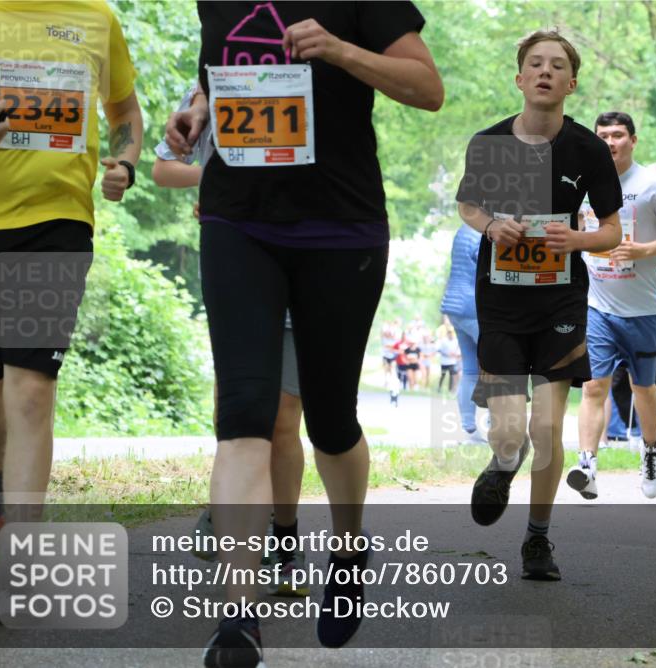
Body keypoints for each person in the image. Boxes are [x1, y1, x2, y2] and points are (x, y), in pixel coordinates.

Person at [165, 2, 443, 659]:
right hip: (237, 221)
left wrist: (342, 50)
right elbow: (226, 72)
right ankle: (238, 616)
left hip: (340, 228)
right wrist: (199, 109)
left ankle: (348, 553)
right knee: (243, 415)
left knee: (330, 419)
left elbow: (427, 89)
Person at [0, 0, 142, 554]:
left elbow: (124, 114)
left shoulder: (96, 17)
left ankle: (24, 558)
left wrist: (126, 162)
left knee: (33, 392)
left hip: (55, 223)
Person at [455, 29, 622, 581]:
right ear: (520, 78)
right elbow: (468, 205)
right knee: (509, 431)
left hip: (561, 302)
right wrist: (489, 223)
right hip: (500, 301)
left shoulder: (588, 150)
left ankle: (537, 540)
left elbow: (611, 231)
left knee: (547, 427)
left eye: (557, 66)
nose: (545, 71)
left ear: (571, 83)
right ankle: (504, 462)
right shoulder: (488, 143)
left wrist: (577, 240)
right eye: (535, 64)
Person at [153, 92, 307, 594]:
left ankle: (284, 538)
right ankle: (229, 516)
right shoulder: (208, 84)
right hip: (235, 258)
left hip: (307, 256)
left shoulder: (312, 74)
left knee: (285, 418)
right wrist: (221, 182)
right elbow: (163, 168)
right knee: (235, 410)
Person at [570, 111, 656, 500]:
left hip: (642, 307)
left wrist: (645, 249)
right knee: (593, 386)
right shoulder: (580, 183)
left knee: (644, 386)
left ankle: (651, 451)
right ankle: (587, 465)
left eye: (618, 135)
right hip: (597, 304)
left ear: (633, 140)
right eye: (603, 135)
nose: (611, 142)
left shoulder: (653, 186)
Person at [441, 224, 485, 441]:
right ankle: (496, 423)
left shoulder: (463, 229)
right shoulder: (484, 231)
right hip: (474, 305)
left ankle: (470, 429)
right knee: (496, 365)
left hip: (454, 304)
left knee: (469, 368)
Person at [437, 327, 461, 394]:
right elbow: (439, 350)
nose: (450, 334)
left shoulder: (456, 341)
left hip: (452, 362)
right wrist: (447, 354)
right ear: (447, 334)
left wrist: (455, 354)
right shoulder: (443, 341)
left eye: (451, 333)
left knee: (452, 375)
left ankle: (450, 389)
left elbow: (458, 350)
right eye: (449, 333)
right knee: (443, 375)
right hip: (444, 362)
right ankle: (439, 387)